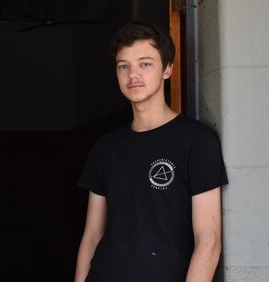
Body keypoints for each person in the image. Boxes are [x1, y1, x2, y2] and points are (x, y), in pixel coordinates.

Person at [75, 22, 228, 282]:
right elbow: (91, 236)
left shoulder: (196, 141)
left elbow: (209, 242)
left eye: (145, 64)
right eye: (124, 66)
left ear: (167, 69)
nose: (132, 74)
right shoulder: (105, 147)